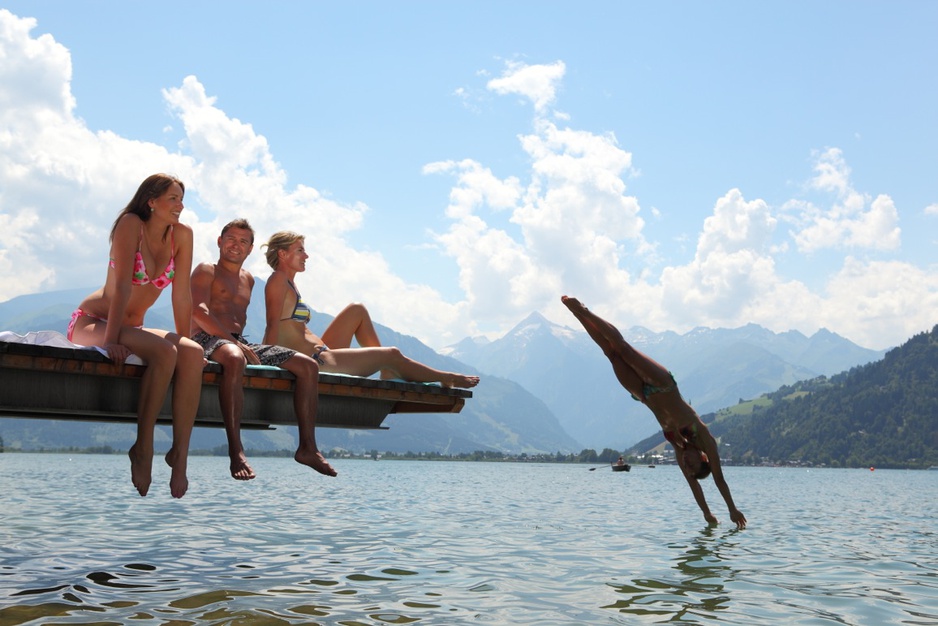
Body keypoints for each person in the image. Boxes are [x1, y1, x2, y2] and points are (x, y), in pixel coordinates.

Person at [68, 174, 203, 499]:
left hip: (134, 327)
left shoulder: (181, 236)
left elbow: (181, 295)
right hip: (95, 321)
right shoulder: (131, 224)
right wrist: (111, 339)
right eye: (172, 198)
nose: (180, 206)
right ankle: (143, 447)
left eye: (182, 199)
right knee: (163, 352)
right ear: (151, 201)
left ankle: (180, 456)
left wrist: (185, 343)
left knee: (192, 354)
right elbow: (123, 287)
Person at [561, 295, 747, 529]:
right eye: (692, 464)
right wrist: (732, 508)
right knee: (624, 349)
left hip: (644, 395)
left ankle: (577, 316)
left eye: (687, 468)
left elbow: (693, 485)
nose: (687, 466)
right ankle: (585, 310)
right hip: (663, 384)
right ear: (703, 458)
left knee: (611, 355)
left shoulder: (680, 451)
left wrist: (707, 514)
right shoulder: (705, 439)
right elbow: (719, 479)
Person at [189, 219, 337, 480]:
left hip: (238, 341)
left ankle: (307, 448)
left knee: (308, 365)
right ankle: (236, 451)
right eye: (231, 239)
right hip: (205, 338)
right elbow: (198, 312)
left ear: (250, 249)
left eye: (243, 242)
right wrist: (233, 344)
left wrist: (243, 344)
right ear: (220, 242)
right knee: (235, 358)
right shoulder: (206, 270)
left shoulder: (249, 279)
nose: (237, 245)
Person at [261, 231, 480, 389]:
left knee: (357, 310)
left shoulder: (289, 282)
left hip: (324, 352)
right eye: (300, 250)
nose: (306, 256)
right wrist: (263, 365)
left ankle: (387, 369)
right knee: (392, 353)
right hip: (317, 361)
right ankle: (445, 377)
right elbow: (272, 325)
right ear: (282, 254)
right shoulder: (277, 281)